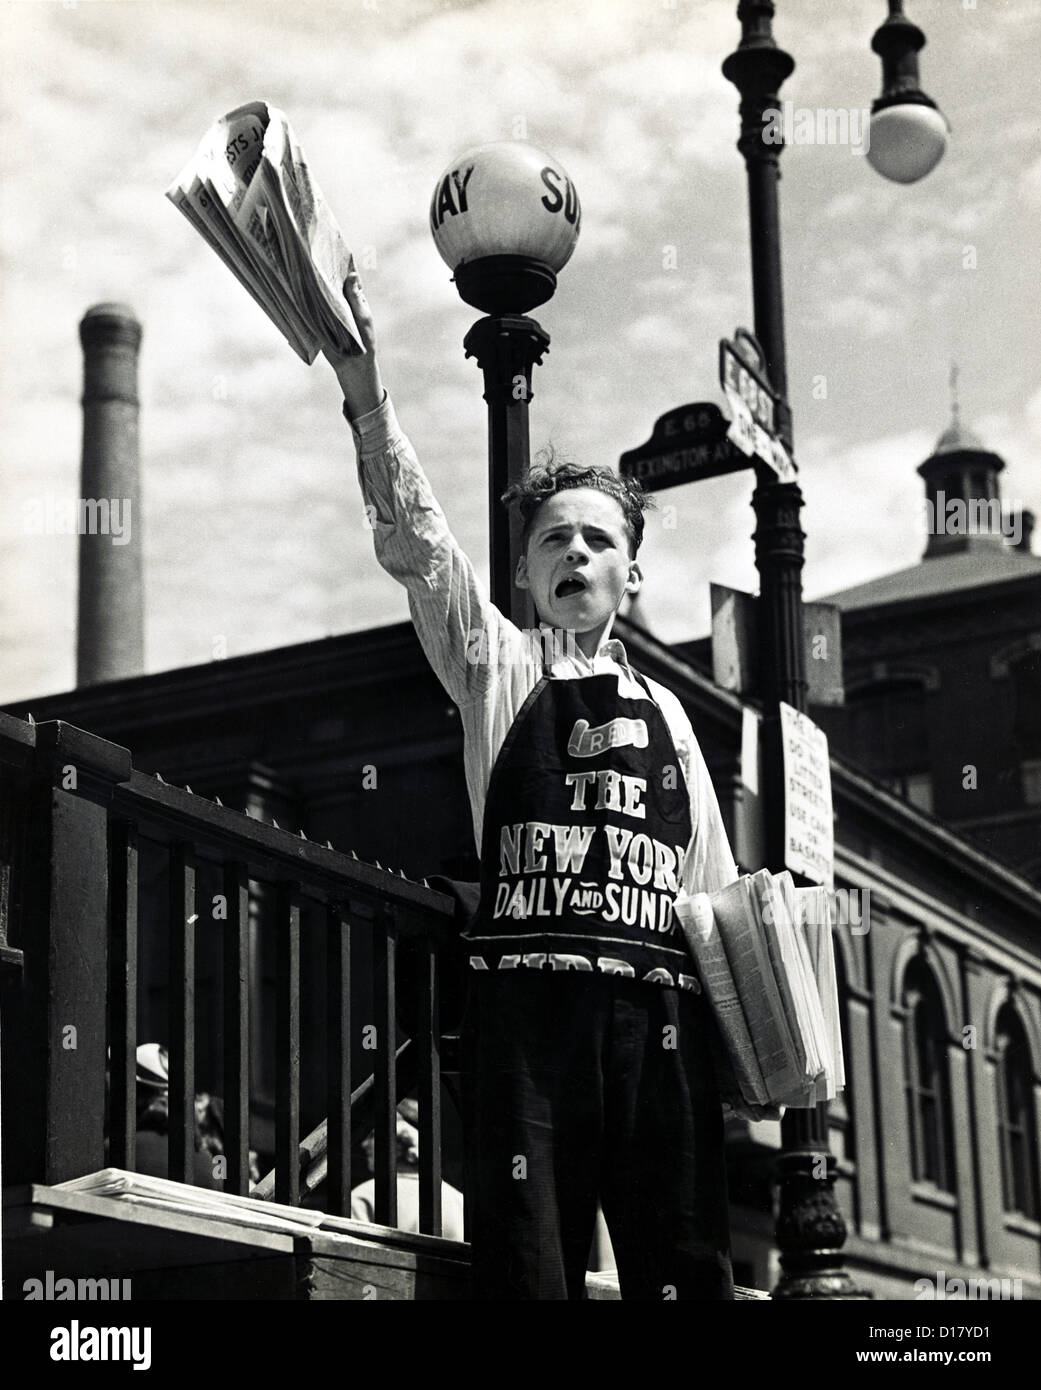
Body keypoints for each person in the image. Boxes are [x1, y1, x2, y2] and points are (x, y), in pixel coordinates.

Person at [325, 262, 739, 1301]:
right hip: (529, 1033)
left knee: (684, 1268)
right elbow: (419, 548)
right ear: (524, 573)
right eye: (554, 537)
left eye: (599, 538)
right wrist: (364, 388)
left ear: (631, 574)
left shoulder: (676, 719)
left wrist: (765, 1059)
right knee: (528, 1270)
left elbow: (716, 902)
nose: (575, 552)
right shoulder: (497, 669)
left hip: (661, 1032)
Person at [350, 1099, 467, 1242]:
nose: (364, 1144)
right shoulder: (459, 1201)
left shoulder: (366, 1196)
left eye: (372, 1135)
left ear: (400, 1140)